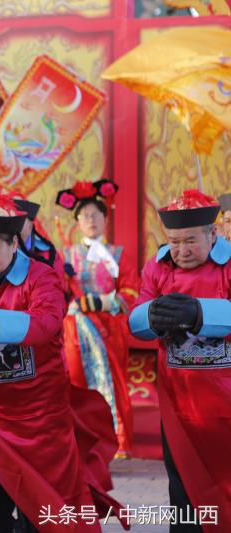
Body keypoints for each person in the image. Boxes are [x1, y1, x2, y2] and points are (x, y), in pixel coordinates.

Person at [0, 194, 126, 533]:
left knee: (43, 511)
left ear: (14, 243)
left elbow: (46, 323)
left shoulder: (41, 277)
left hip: (39, 417)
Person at [129, 189, 231, 532]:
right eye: (175, 241)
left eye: (191, 241)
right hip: (177, 401)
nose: (182, 250)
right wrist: (151, 316)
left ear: (212, 234)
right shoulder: (157, 267)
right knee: (183, 486)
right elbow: (136, 320)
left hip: (225, 400)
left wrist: (200, 313)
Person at [55, 179, 139, 458]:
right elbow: (54, 294)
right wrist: (63, 280)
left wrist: (102, 301)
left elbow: (130, 291)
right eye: (85, 216)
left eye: (96, 215)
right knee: (77, 383)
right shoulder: (66, 256)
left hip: (109, 328)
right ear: (77, 221)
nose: (91, 220)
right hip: (76, 330)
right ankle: (80, 441)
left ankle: (118, 441)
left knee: (112, 383)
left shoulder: (117, 255)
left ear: (105, 218)